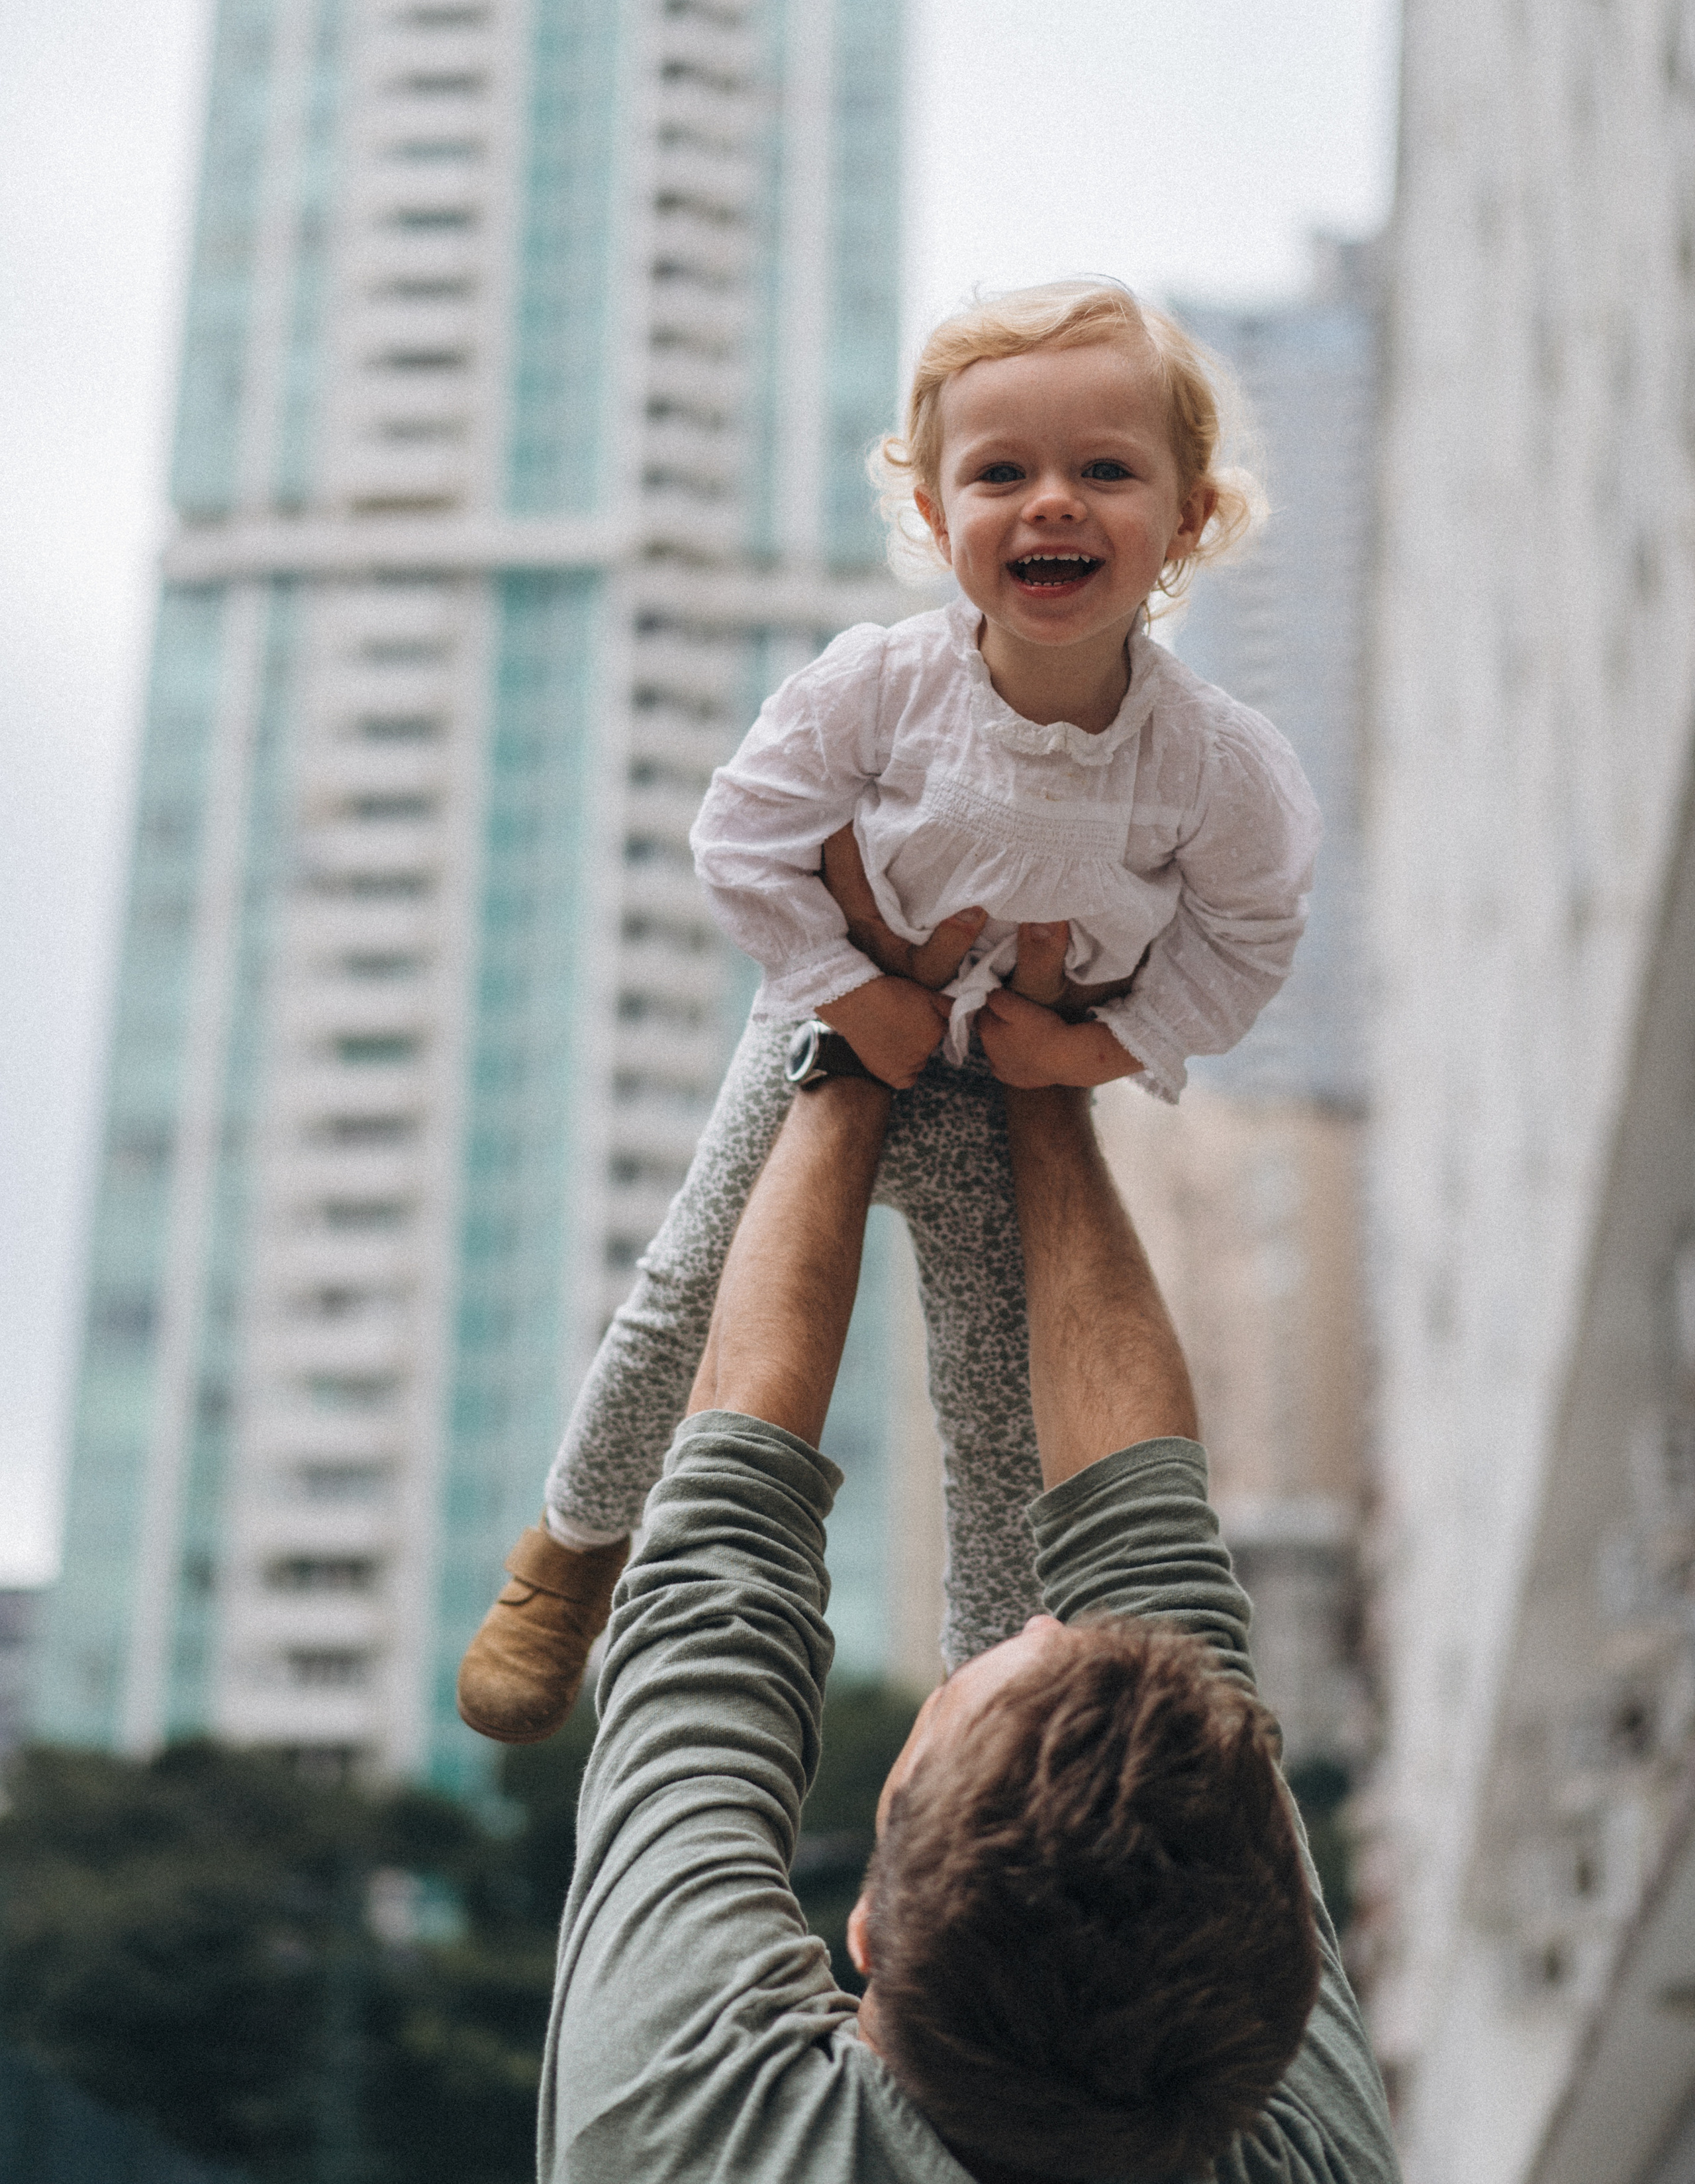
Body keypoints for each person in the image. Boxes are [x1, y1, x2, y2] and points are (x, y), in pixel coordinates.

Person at [458, 279, 1321, 1742]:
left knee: (992, 1411)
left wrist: (1094, 1046)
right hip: (825, 1038)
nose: (1050, 504)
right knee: (680, 1305)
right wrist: (850, 995)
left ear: (1187, 522)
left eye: (1103, 471)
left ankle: (981, 1694)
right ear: (933, 517)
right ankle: (567, 1556)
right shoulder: (878, 685)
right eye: (1001, 473)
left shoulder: (1213, 762)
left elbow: (1247, 939)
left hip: (1008, 1083)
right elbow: (740, 840)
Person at [539, 1065, 1398, 2181]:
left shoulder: (678, 2117)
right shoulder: (677, 2146)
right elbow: (1159, 1565)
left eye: (974, 1698)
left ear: (866, 1932)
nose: (1046, 1629)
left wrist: (844, 1033)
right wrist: (1041, 1085)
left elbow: (718, 1569)